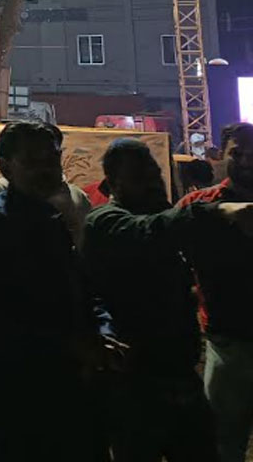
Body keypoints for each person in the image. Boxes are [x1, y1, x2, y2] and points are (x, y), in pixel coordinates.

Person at [0, 121, 120, 461]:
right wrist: (70, 344)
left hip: (68, 386)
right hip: (16, 393)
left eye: (52, 159)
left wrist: (104, 333)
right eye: (31, 161)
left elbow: (81, 287)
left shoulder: (52, 218)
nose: (45, 169)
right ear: (4, 165)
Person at [83, 139, 225, 461]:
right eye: (139, 177)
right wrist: (217, 210)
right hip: (133, 380)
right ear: (113, 183)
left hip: (179, 372)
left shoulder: (160, 220)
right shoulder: (105, 221)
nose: (152, 183)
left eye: (155, 174)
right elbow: (147, 231)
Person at [176, 122, 253, 462]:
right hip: (226, 345)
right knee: (223, 444)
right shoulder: (198, 204)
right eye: (238, 153)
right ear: (221, 154)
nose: (247, 161)